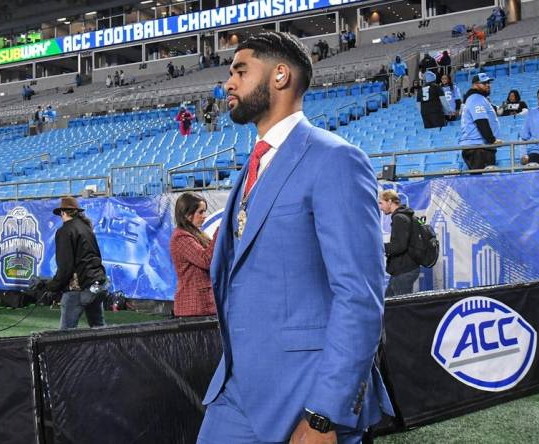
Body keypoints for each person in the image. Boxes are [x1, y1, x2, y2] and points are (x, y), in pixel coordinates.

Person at [198, 31, 392, 444]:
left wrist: (325, 414)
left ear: (280, 75)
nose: (228, 83)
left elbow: (359, 294)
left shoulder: (335, 159)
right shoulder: (252, 166)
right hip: (235, 390)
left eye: (240, 71)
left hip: (305, 395)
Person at [46, 197, 108, 330]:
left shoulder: (65, 231)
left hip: (78, 288)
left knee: (66, 333)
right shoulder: (87, 229)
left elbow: (66, 267)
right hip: (96, 285)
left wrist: (52, 286)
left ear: (63, 212)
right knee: (100, 329)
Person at [169, 193, 217, 317]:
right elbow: (206, 260)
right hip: (193, 307)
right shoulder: (181, 237)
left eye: (204, 212)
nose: (204, 216)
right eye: (200, 212)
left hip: (203, 304)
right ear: (187, 215)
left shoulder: (196, 234)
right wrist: (219, 233)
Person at [378, 190, 420, 296]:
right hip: (402, 270)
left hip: (404, 271)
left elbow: (399, 246)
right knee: (390, 305)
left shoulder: (399, 218)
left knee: (401, 309)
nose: (380, 207)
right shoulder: (405, 215)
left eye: (381, 203)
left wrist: (379, 247)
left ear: (390, 201)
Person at [459, 73, 501, 170]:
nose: (488, 85)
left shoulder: (475, 98)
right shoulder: (476, 98)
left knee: (480, 181)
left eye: (488, 82)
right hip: (479, 148)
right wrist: (492, 140)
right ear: (475, 85)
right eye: (484, 83)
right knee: (482, 182)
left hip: (477, 146)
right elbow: (481, 121)